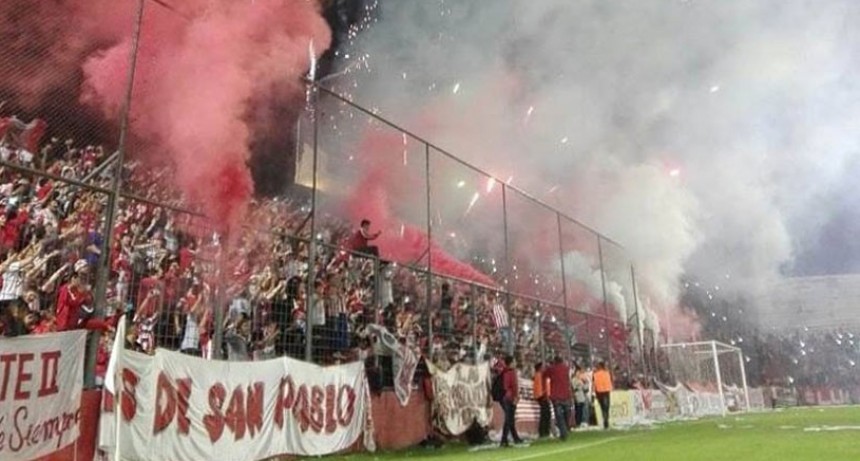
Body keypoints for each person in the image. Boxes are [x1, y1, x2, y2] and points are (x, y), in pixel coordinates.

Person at [499, 355, 524, 447]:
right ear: (511, 363)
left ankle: (515, 438)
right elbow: (514, 386)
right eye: (514, 361)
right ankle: (504, 440)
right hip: (510, 398)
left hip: (505, 397)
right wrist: (515, 397)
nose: (515, 363)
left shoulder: (504, 372)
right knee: (509, 419)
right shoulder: (512, 372)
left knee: (510, 419)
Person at [545, 355, 572, 441]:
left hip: (556, 396)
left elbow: (545, 375)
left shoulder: (551, 368)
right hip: (566, 394)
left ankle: (563, 432)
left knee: (559, 415)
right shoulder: (566, 368)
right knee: (567, 413)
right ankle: (566, 428)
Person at [533, 362, 551, 438]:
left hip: (542, 396)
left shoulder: (539, 375)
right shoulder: (539, 375)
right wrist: (543, 394)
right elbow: (540, 387)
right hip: (542, 396)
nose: (544, 368)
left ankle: (544, 431)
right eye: (543, 367)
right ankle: (544, 431)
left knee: (545, 414)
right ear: (540, 368)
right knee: (545, 414)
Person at [594, 361, 613, 429]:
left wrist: (594, 392)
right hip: (606, 391)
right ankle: (606, 421)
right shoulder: (607, 373)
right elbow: (610, 381)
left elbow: (594, 384)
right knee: (606, 407)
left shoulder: (596, 374)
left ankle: (605, 420)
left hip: (599, 392)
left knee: (602, 407)